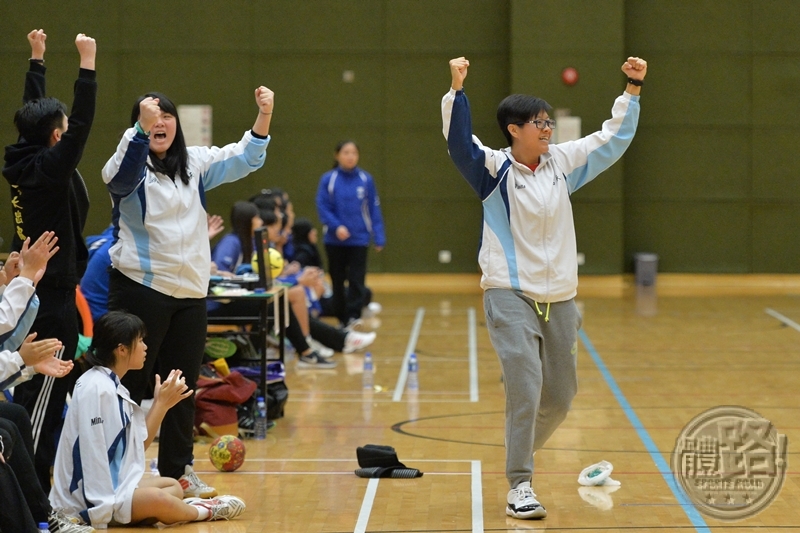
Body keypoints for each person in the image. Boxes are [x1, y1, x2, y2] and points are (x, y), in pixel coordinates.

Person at [442, 56, 646, 519]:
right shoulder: (493, 171)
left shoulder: (562, 165)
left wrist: (631, 89)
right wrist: (457, 91)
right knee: (526, 385)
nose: (548, 128)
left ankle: (518, 449)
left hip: (561, 301)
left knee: (560, 397)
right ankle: (520, 484)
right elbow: (458, 142)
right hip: (508, 293)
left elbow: (611, 140)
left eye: (549, 120)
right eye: (538, 122)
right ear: (514, 130)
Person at [101, 85, 274, 497]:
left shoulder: (194, 163)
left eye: (166, 116)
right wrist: (139, 134)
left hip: (191, 295)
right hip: (140, 289)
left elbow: (246, 156)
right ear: (139, 124)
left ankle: (178, 470)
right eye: (150, 116)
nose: (160, 123)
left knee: (181, 385)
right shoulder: (127, 165)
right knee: (129, 384)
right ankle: (119, 472)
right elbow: (120, 177)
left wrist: (264, 115)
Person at [2, 28, 97, 491]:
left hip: (40, 290)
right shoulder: (51, 168)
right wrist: (88, 66)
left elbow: (30, 117)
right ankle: (33, 492)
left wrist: (37, 60)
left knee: (36, 391)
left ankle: (34, 484)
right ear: (56, 137)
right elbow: (80, 126)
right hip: (52, 297)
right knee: (42, 393)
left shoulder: (24, 156)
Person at [50, 311, 246, 528]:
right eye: (140, 340)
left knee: (172, 486)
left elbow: (138, 446)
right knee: (159, 499)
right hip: (85, 501)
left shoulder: (110, 384)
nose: (145, 346)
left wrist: (162, 404)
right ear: (122, 349)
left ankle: (175, 507)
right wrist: (101, 510)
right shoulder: (97, 389)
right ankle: (205, 510)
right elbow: (92, 455)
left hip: (109, 488)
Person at [315, 141, 385, 328]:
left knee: (356, 280)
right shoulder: (328, 179)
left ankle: (354, 315)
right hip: (334, 241)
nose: (350, 156)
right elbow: (323, 207)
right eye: (346, 152)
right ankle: (341, 317)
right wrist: (336, 227)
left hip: (359, 240)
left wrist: (378, 236)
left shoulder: (365, 179)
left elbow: (373, 209)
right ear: (337, 155)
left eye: (354, 152)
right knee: (337, 281)